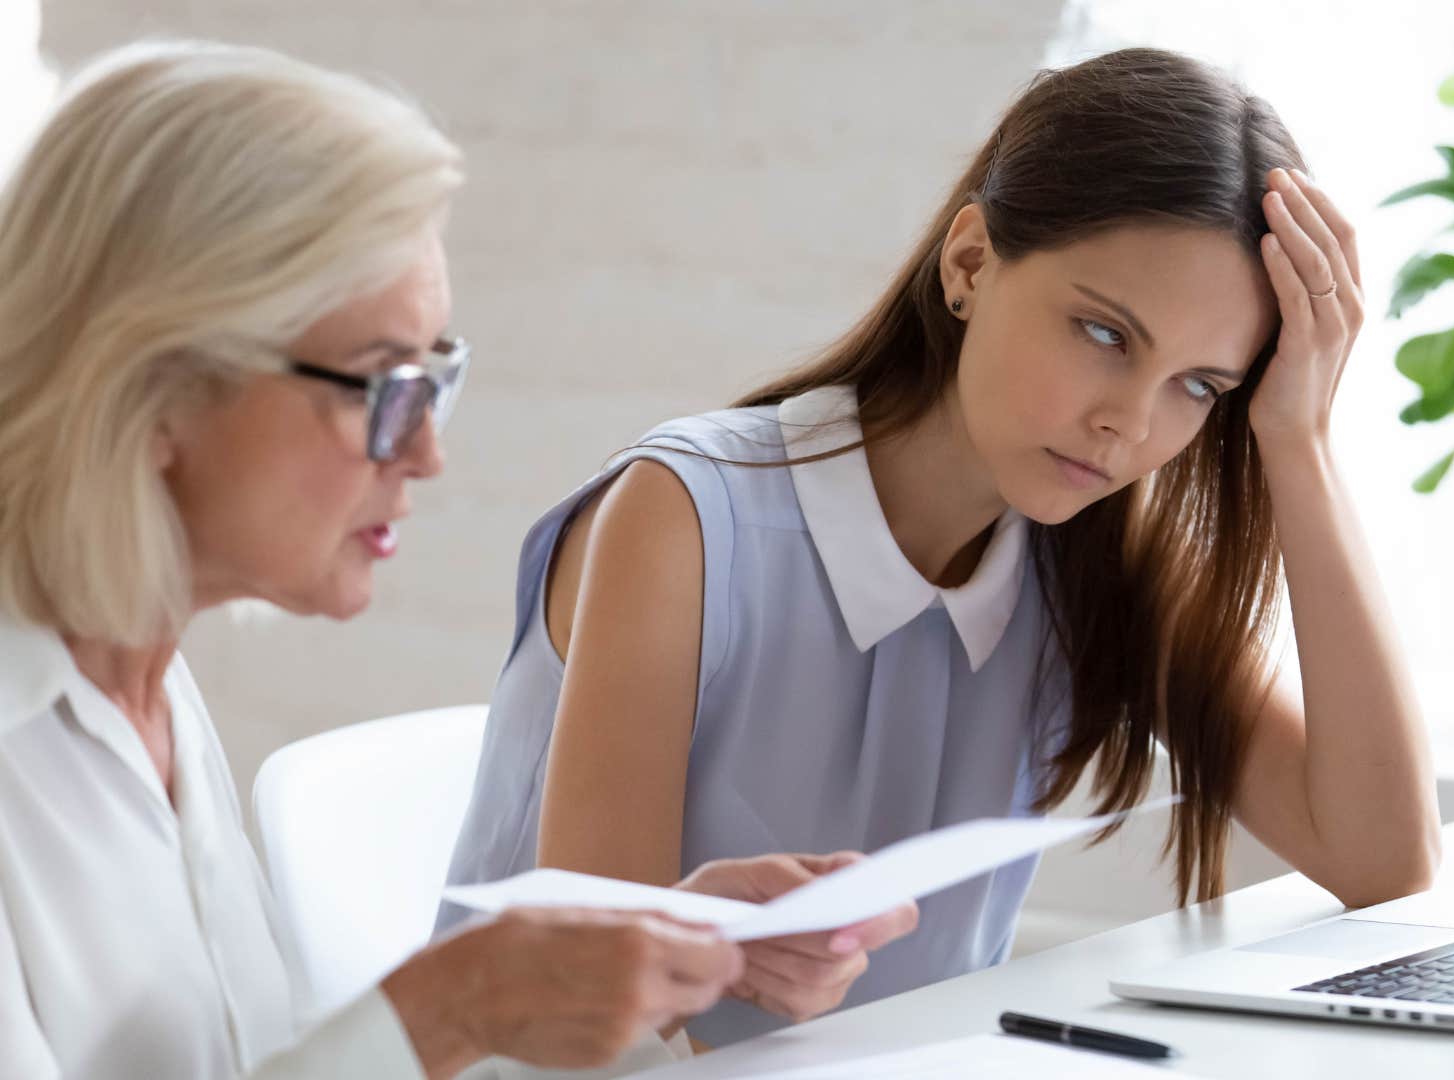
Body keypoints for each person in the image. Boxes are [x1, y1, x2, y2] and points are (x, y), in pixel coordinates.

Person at [445, 46, 1443, 1047]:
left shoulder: (1099, 560)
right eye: (1104, 334)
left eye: (1199, 385)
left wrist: (1299, 439)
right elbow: (598, 1040)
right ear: (970, 264)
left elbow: (1383, 863)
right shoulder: (683, 520)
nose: (1130, 424)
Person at [0, 41, 910, 1080]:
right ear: (155, 386)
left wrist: (629, 970)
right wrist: (449, 1009)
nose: (428, 453)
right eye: (384, 385)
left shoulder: (150, 694)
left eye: (435, 379)